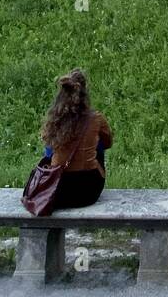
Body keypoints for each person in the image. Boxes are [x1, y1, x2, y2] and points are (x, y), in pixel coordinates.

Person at [40, 68, 113, 209]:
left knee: (52, 152)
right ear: (84, 94)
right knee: (98, 146)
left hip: (57, 191)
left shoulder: (56, 120)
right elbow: (107, 143)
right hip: (88, 192)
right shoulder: (96, 118)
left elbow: (48, 154)